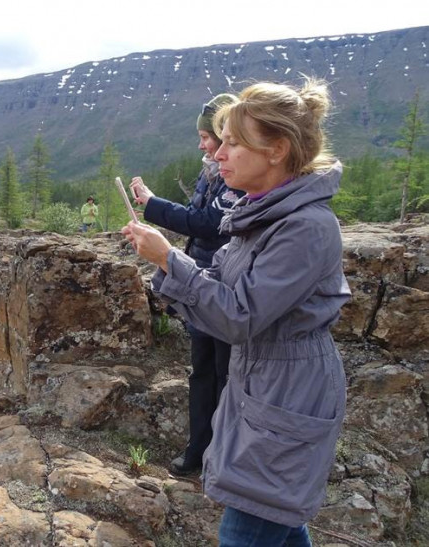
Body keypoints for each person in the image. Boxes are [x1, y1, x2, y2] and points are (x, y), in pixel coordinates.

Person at [122, 77, 350, 546]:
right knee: (277, 519)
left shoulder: (305, 227)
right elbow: (222, 292)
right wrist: (172, 269)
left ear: (277, 150)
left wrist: (169, 259)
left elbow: (238, 318)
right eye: (219, 142)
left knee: (250, 524)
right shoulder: (261, 214)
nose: (218, 155)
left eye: (232, 144)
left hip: (288, 396)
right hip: (266, 387)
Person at [129, 93, 244, 477]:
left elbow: (208, 222)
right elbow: (200, 215)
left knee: (230, 375)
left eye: (208, 136)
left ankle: (226, 456)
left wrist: (153, 208)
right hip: (202, 282)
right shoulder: (213, 171)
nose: (204, 145)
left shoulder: (236, 177)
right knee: (203, 371)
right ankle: (198, 448)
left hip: (225, 287)